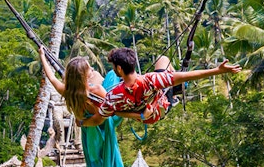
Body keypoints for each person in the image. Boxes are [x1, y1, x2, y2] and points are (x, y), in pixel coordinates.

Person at [83, 47, 241, 127]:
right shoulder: (151, 80)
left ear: (118, 69)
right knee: (164, 60)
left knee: (165, 66)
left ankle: (174, 89)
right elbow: (189, 75)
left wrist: (82, 123)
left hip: (149, 115)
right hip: (161, 105)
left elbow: (99, 119)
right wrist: (218, 71)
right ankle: (176, 89)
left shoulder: (113, 96)